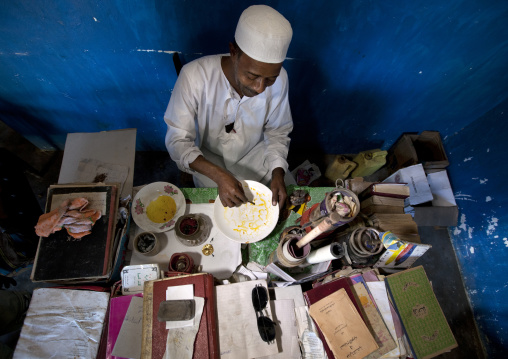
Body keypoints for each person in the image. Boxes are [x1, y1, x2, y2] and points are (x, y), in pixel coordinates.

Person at [164, 5, 293, 208]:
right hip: (210, 162)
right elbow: (177, 140)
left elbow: (278, 132)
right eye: (251, 76)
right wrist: (218, 175)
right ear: (233, 52)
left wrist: (278, 171)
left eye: (270, 79)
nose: (260, 88)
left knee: (283, 210)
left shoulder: (281, 79)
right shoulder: (194, 76)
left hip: (258, 158)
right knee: (220, 221)